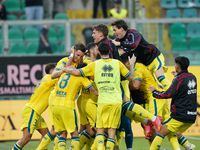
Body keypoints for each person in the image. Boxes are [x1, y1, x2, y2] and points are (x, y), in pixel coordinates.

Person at [63, 41, 135, 150]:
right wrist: (132, 64)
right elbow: (130, 78)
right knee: (111, 132)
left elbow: (76, 73)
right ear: (110, 51)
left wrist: (64, 69)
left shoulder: (94, 64)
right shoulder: (118, 63)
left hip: (102, 101)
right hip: (116, 101)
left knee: (100, 131)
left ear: (99, 52)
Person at [36, 43, 86, 150]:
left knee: (58, 131)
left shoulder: (80, 63)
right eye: (77, 55)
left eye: (81, 56)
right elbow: (53, 75)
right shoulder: (64, 61)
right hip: (57, 96)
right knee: (56, 130)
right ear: (73, 52)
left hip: (65, 98)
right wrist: (70, 58)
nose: (79, 58)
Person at [149, 56, 197, 150]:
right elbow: (184, 88)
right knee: (173, 132)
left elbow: (168, 94)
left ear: (178, 66)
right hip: (192, 115)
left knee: (161, 132)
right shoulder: (193, 77)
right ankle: (189, 147)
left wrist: (155, 92)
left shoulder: (179, 79)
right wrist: (177, 77)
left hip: (180, 115)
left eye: (175, 64)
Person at [111, 19, 171, 91]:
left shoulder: (133, 33)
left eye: (115, 30)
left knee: (160, 77)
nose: (113, 32)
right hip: (144, 64)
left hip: (154, 57)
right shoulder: (118, 40)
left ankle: (176, 96)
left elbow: (134, 45)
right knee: (151, 84)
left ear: (121, 29)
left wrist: (120, 44)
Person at [52, 63, 98, 150]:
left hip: (55, 105)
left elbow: (53, 76)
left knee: (62, 134)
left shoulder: (64, 74)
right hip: (67, 106)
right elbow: (95, 92)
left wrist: (64, 69)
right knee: (74, 134)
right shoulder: (81, 77)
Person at [12, 63, 57, 150]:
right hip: (32, 110)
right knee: (26, 138)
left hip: (35, 111)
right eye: (57, 69)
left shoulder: (46, 78)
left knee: (46, 135)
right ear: (52, 71)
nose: (58, 71)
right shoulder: (50, 78)